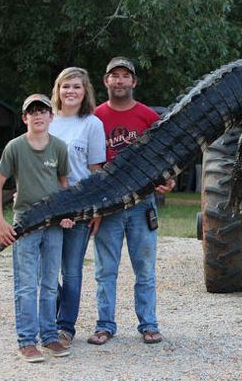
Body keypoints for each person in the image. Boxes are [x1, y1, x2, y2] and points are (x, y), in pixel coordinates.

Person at [87, 57, 174, 345]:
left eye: (126, 76)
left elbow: (168, 151)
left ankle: (149, 325)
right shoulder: (95, 117)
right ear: (106, 81)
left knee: (145, 270)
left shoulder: (148, 117)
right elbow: (91, 162)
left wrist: (169, 177)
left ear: (134, 82)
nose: (120, 80)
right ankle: (104, 325)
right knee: (105, 271)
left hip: (142, 203)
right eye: (115, 76)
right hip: (109, 204)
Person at [0, 94, 74, 362]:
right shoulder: (14, 147)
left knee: (50, 284)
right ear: (25, 118)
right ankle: (26, 341)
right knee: (26, 285)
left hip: (52, 225)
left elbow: (63, 185)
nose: (38, 116)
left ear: (51, 117)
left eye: (43, 111)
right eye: (32, 112)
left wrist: (67, 213)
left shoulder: (59, 147)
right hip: (25, 224)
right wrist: (0, 220)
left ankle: (49, 336)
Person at [48, 67, 106, 348]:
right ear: (57, 90)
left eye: (76, 87)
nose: (70, 91)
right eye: (65, 86)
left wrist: (97, 209)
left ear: (85, 93)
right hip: (47, 206)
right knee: (41, 268)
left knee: (71, 270)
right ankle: (51, 313)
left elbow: (96, 170)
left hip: (80, 206)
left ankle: (65, 326)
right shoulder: (46, 120)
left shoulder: (91, 124)